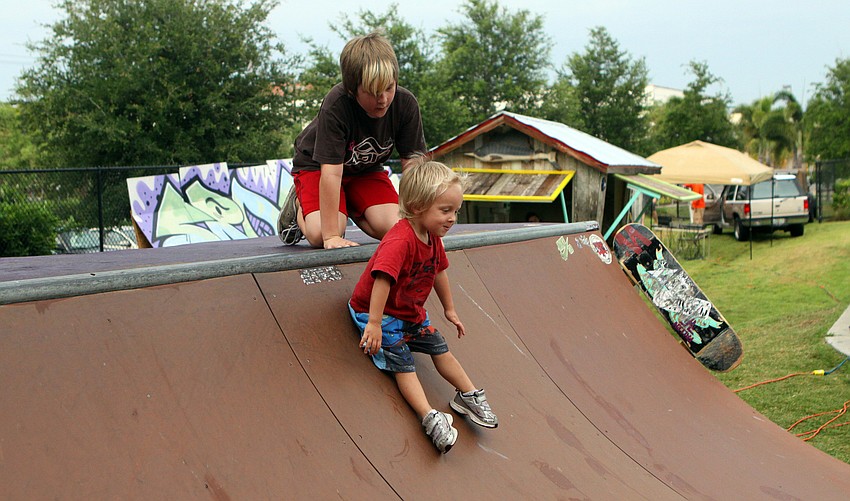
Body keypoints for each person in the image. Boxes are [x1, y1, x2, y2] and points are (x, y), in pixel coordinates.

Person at [348, 159, 498, 454]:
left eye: (456, 210)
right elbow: (381, 280)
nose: (452, 218)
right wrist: (374, 323)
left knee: (440, 348)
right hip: (377, 312)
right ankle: (429, 417)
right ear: (417, 207)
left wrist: (449, 309)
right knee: (404, 365)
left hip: (409, 312)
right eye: (445, 211)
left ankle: (467, 395)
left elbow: (439, 271)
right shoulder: (399, 240)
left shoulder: (433, 237)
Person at [278, 31, 426, 249]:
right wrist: (331, 237)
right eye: (373, 92)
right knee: (321, 235)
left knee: (400, 229)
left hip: (364, 170)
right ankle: (300, 203)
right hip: (319, 168)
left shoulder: (405, 104)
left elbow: (414, 166)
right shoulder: (337, 104)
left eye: (389, 88)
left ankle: (351, 202)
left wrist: (419, 219)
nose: (383, 99)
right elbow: (331, 172)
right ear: (352, 89)